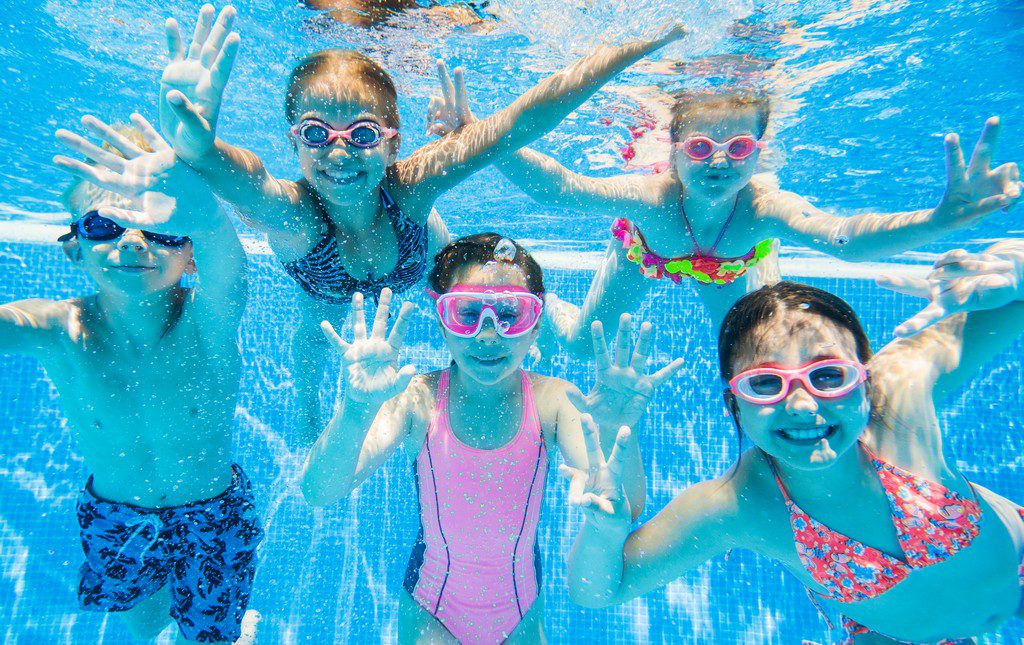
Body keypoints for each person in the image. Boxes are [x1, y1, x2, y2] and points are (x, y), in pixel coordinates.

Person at [156, 4, 685, 435]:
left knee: (480, 297)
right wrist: (200, 146)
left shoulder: (410, 188)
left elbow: (519, 122)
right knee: (313, 338)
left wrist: (625, 53)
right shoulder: (294, 216)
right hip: (326, 287)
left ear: (393, 144)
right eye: (316, 134)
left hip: (423, 258)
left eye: (361, 134)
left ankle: (530, 319)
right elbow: (244, 179)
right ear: (293, 140)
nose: (339, 154)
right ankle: (305, 403)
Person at [560, 241, 1024, 643]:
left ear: (865, 376)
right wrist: (604, 532)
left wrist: (1013, 267)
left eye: (828, 376)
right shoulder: (740, 504)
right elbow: (598, 591)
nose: (803, 406)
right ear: (734, 402)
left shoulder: (903, 390)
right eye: (765, 384)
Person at [427, 73, 1024, 355]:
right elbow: (559, 189)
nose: (718, 162)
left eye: (738, 148)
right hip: (645, 256)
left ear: (758, 152)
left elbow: (842, 239)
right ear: (673, 151)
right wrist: (478, 135)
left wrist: (938, 222)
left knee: (756, 351)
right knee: (584, 346)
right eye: (700, 147)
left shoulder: (762, 206)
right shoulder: (653, 201)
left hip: (735, 269)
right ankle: (552, 309)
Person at [300, 233, 683, 643]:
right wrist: (357, 410)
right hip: (431, 607)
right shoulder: (417, 400)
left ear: (535, 328)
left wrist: (616, 427)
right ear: (442, 323)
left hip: (520, 612)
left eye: (509, 314)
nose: (487, 335)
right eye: (466, 313)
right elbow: (319, 490)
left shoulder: (555, 401)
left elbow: (625, 500)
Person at [0, 114, 261, 643]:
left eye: (162, 230)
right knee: (141, 626)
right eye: (104, 226)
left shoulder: (209, 320)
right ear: (73, 246)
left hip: (212, 514)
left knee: (213, 634)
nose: (136, 242)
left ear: (190, 255)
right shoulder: (57, 328)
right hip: (117, 518)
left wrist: (190, 189)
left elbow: (225, 253)